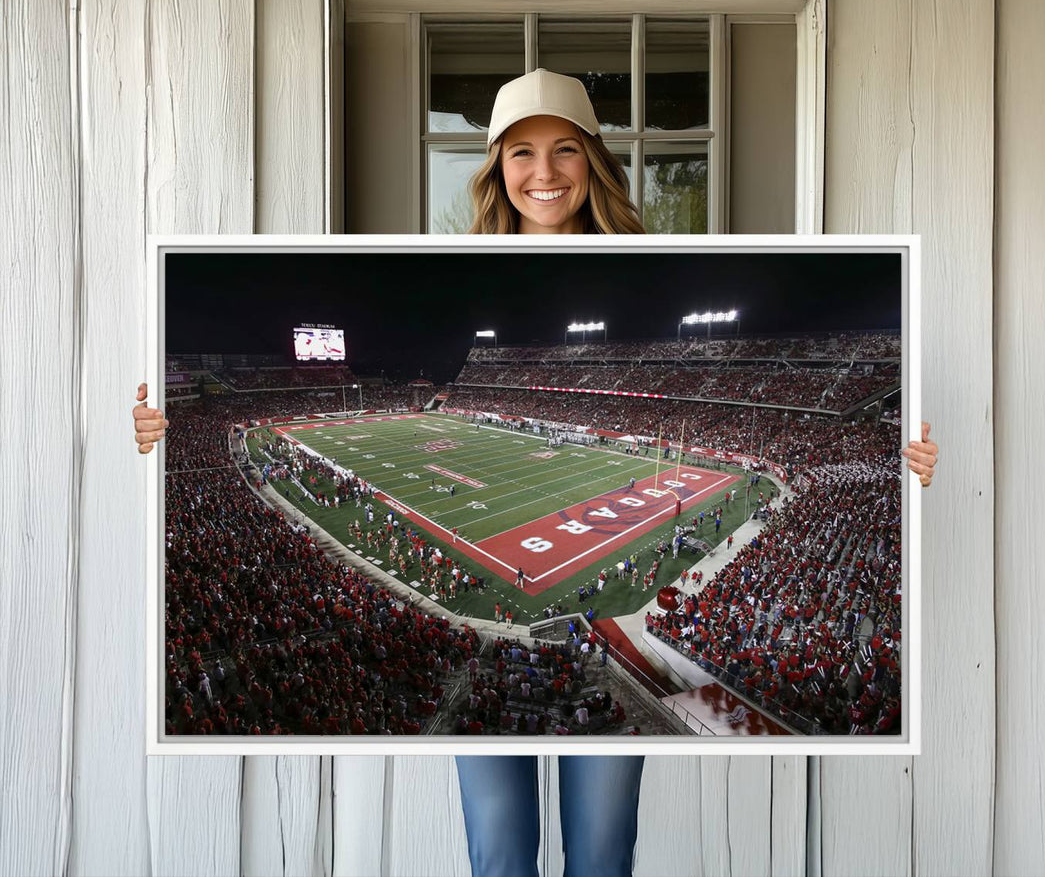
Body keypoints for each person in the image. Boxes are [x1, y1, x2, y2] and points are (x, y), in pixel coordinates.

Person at [132, 68, 940, 877]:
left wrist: (905, 463)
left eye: (564, 151)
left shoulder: (651, 253)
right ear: (495, 167)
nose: (544, 172)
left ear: (594, 160)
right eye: (521, 152)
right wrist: (156, 432)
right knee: (500, 853)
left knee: (599, 851)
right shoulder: (456, 250)